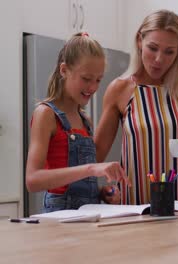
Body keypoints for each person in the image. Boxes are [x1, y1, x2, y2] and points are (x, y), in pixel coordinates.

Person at [95, 10, 178, 205]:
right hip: (135, 202)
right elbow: (96, 156)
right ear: (139, 41)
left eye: (169, 51)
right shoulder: (120, 89)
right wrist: (102, 189)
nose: (159, 59)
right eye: (153, 48)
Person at [25, 32, 129, 213]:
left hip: (88, 213)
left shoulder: (85, 120)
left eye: (98, 80)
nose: (93, 87)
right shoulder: (46, 114)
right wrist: (91, 168)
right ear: (64, 70)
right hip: (59, 216)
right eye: (86, 79)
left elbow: (80, 184)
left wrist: (100, 192)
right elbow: (33, 180)